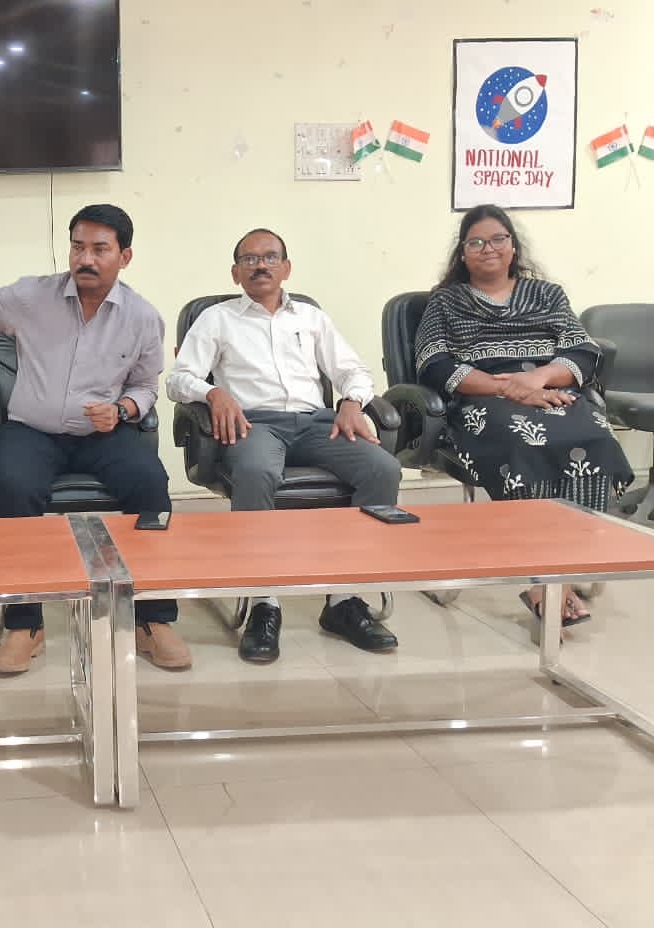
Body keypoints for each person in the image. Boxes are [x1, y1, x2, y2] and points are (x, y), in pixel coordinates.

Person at [0, 203, 191, 675]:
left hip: (103, 434)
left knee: (151, 487)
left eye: (100, 249)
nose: (86, 258)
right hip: (32, 431)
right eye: (78, 247)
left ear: (124, 257)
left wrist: (122, 410)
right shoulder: (29, 297)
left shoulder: (142, 317)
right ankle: (25, 624)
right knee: (16, 488)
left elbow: (146, 386)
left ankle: (152, 619)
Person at [166, 228, 402, 663]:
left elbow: (353, 370)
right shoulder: (217, 319)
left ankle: (344, 600)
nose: (261, 265)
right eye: (250, 259)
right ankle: (264, 601)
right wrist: (213, 392)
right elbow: (179, 380)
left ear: (286, 268)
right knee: (256, 472)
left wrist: (352, 402)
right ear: (236, 272)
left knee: (382, 469)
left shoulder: (311, 318)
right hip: (255, 424)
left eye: (270, 257)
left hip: (316, 424)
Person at [415, 204, 633, 624]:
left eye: (498, 239)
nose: (488, 248)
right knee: (523, 443)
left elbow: (583, 351)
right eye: (476, 242)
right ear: (463, 254)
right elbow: (434, 364)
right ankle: (544, 581)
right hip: (483, 400)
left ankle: (562, 572)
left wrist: (538, 380)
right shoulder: (446, 302)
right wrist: (507, 388)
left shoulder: (548, 295)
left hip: (550, 390)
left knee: (593, 437)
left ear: (513, 246)